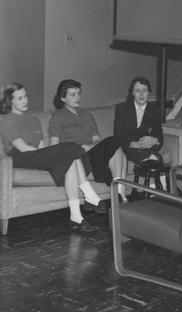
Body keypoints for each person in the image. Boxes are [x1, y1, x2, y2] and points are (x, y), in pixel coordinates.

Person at [0, 83, 102, 232]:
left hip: (36, 155)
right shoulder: (7, 121)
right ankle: (89, 194)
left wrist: (49, 156)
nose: (25, 101)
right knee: (71, 146)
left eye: (26, 96)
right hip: (19, 157)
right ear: (10, 101)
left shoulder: (33, 119)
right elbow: (23, 148)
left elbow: (42, 147)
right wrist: (48, 156)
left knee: (70, 158)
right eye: (20, 98)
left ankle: (76, 217)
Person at [48, 79, 128, 202]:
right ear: (63, 98)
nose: (77, 97)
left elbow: (97, 140)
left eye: (79, 93)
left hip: (92, 152)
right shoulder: (58, 117)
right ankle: (120, 193)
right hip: (76, 156)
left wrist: (90, 146)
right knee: (115, 144)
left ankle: (119, 193)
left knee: (116, 144)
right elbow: (54, 146)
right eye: (72, 94)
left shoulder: (87, 115)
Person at [113, 76, 163, 164]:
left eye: (144, 90)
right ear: (132, 93)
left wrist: (155, 140)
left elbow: (160, 137)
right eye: (137, 90)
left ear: (149, 93)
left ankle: (151, 161)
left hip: (148, 148)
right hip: (130, 149)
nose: (141, 94)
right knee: (155, 160)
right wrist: (133, 144)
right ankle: (153, 161)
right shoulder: (122, 109)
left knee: (152, 158)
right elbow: (118, 136)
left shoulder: (155, 110)